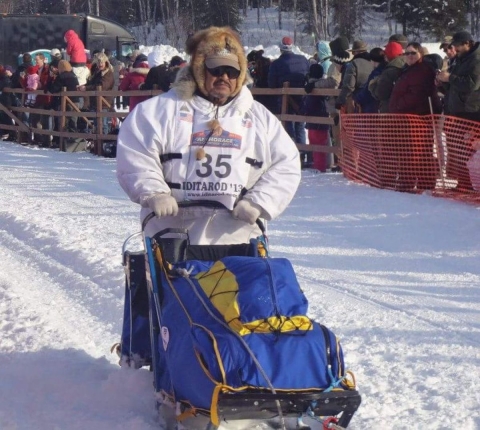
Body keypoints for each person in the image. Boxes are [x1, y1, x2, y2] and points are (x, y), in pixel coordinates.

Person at [116, 26, 301, 244]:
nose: (224, 77)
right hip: (173, 236)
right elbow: (135, 152)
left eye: (232, 71)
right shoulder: (159, 111)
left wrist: (258, 202)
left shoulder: (260, 118)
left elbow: (286, 164)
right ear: (199, 69)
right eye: (216, 69)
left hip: (238, 237)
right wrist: (155, 193)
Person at [268, 36, 309, 146]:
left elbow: (271, 84)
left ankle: (291, 152)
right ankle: (302, 152)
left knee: (288, 126)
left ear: (280, 48)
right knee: (300, 127)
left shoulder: (276, 64)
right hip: (302, 100)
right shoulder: (303, 60)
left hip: (285, 101)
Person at [78, 52, 115, 133]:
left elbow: (102, 87)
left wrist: (86, 88)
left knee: (103, 124)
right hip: (96, 102)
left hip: (104, 103)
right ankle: (98, 142)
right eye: (98, 62)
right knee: (97, 125)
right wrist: (82, 87)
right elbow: (92, 83)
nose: (100, 64)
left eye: (101, 62)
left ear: (106, 62)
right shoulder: (97, 73)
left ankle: (104, 142)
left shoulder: (108, 74)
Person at [303, 63, 330, 172]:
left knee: (315, 144)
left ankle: (319, 167)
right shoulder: (322, 86)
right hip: (320, 120)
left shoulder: (309, 86)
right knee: (320, 144)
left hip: (312, 120)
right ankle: (319, 166)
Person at [335, 40, 373, 113]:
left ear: (355, 52)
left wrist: (340, 101)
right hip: (373, 101)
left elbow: (348, 86)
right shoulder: (373, 62)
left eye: (353, 52)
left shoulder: (353, 64)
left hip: (359, 102)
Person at [369, 41, 405, 113]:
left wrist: (372, 85)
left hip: (389, 112)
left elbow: (380, 94)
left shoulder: (389, 72)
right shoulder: (407, 66)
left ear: (388, 55)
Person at [354, 47, 387, 113]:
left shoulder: (376, 73)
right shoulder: (386, 69)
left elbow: (367, 91)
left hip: (371, 108)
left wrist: (357, 98)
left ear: (373, 61)